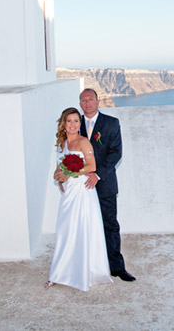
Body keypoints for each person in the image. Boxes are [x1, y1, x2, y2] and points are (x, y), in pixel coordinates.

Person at [55, 89, 136, 282]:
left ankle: (117, 268)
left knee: (110, 225)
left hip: (104, 182)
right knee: (82, 226)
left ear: (98, 101)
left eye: (91, 99)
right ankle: (85, 265)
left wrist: (97, 174)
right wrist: (62, 175)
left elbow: (116, 153)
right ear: (80, 103)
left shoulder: (111, 123)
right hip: (80, 188)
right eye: (83, 100)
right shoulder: (75, 124)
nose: (87, 103)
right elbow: (66, 155)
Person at [46, 107, 112, 291]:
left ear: (79, 124)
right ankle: (60, 273)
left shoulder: (84, 142)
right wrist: (58, 176)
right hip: (68, 191)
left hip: (82, 190)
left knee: (80, 229)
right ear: (64, 124)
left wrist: (68, 172)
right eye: (69, 121)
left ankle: (82, 273)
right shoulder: (61, 143)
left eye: (76, 121)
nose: (73, 124)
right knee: (65, 231)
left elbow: (92, 165)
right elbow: (59, 167)